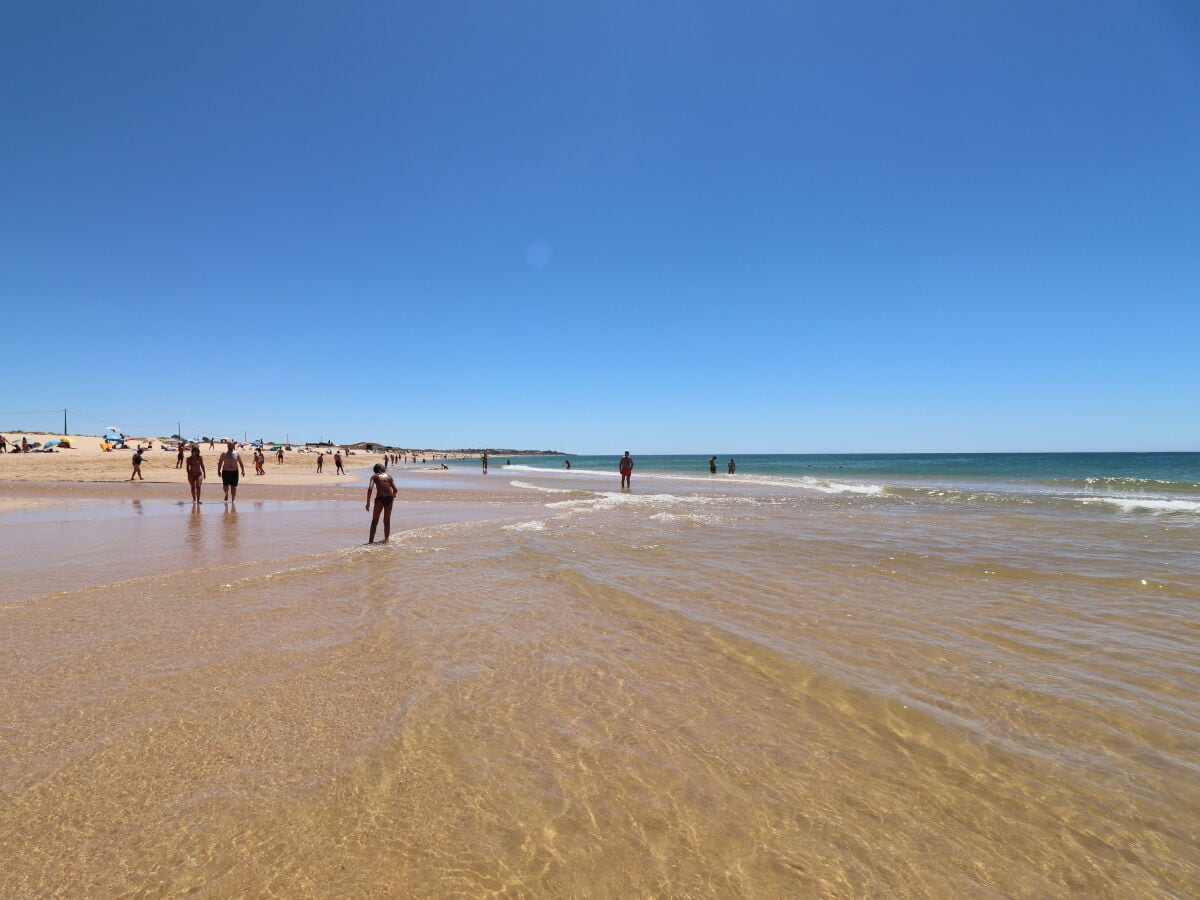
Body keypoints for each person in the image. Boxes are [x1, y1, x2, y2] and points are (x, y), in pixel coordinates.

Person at [365, 462, 397, 543]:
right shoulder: (389, 477)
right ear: (383, 469)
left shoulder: (374, 477)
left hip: (380, 499)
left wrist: (368, 502)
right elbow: (395, 489)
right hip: (390, 499)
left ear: (375, 470)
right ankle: (386, 540)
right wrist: (393, 495)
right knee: (387, 521)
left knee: (374, 521)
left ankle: (370, 542)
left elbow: (370, 489)